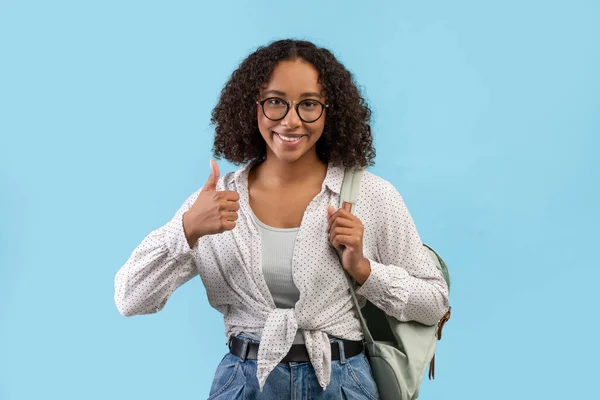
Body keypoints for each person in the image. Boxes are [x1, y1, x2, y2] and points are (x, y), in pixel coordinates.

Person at [114, 39, 449, 399]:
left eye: (308, 104)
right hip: (245, 383)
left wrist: (365, 271)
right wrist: (187, 230)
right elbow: (130, 298)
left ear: (329, 111)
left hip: (342, 383)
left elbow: (434, 304)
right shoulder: (214, 202)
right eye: (276, 102)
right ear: (253, 108)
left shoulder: (370, 195)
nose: (291, 121)